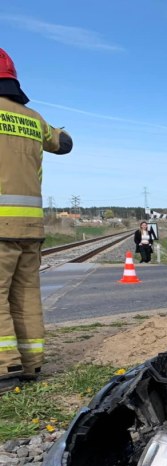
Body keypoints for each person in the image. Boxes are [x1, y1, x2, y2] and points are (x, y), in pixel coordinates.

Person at [0, 48, 73, 391]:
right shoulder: (33, 118)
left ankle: (4, 366)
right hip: (31, 227)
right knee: (26, 295)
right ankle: (31, 364)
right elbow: (65, 143)